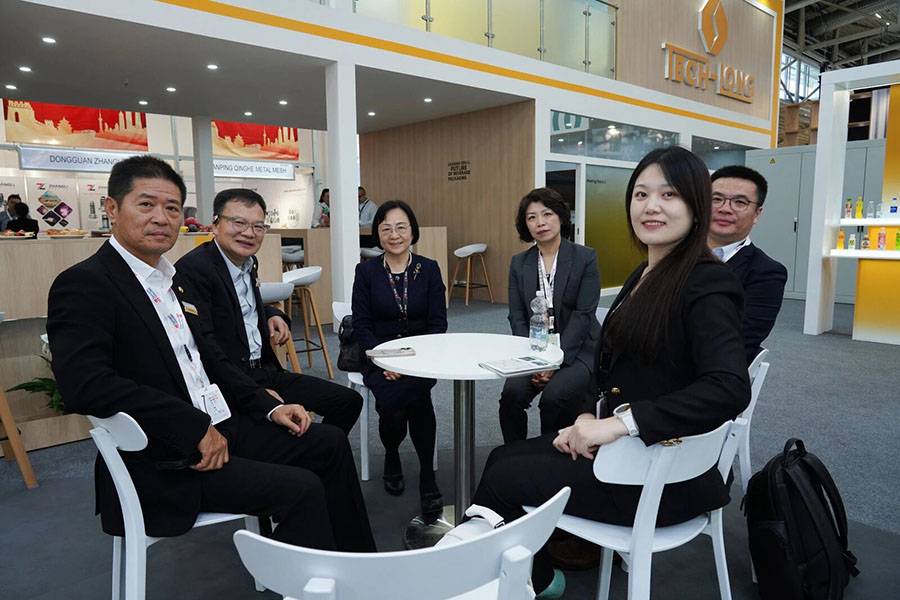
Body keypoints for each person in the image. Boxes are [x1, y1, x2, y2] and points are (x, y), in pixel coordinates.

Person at [47, 155, 375, 552]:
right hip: (165, 457)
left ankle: (357, 564)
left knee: (329, 443)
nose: (161, 218)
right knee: (301, 487)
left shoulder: (171, 281)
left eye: (172, 209)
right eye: (146, 204)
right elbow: (85, 385)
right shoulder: (85, 283)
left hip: (219, 423)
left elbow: (212, 360)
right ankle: (308, 578)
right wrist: (193, 427)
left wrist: (268, 406)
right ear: (112, 209)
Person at [471, 146, 750, 598]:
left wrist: (618, 424)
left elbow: (729, 388)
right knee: (501, 458)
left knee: (502, 480)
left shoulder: (706, 281)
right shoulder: (647, 273)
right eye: (641, 194)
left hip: (659, 473)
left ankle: (521, 583)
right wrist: (591, 416)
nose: (651, 206)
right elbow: (622, 370)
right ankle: (534, 577)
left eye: (669, 194)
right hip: (633, 452)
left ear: (697, 206)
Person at [175, 188, 363, 436]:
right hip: (230, 383)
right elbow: (207, 349)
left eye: (258, 226)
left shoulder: (248, 263)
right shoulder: (194, 269)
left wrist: (272, 312)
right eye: (238, 223)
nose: (249, 233)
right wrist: (260, 398)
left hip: (265, 370)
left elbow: (236, 306)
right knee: (327, 440)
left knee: (348, 401)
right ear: (216, 224)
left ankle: (306, 450)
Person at [351, 200, 447, 521]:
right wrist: (386, 360)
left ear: (412, 231)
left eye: (401, 227)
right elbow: (362, 324)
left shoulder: (428, 269)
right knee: (393, 409)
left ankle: (427, 475)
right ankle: (392, 454)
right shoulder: (366, 272)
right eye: (386, 228)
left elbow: (438, 323)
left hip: (420, 358)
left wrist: (412, 362)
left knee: (418, 402)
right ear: (378, 234)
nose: (394, 235)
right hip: (380, 358)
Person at [499, 187, 600, 443]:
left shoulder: (585, 258)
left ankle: (550, 456)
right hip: (535, 348)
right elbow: (517, 315)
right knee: (511, 395)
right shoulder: (519, 263)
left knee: (554, 398)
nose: (540, 222)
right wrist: (534, 360)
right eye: (531, 217)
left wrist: (555, 362)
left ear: (561, 217)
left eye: (547, 214)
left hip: (578, 349)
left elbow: (583, 315)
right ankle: (514, 456)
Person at [709, 165, 788, 364]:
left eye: (740, 202)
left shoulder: (767, 273)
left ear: (757, 214)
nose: (725, 208)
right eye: (716, 199)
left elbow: (737, 343)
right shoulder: (673, 253)